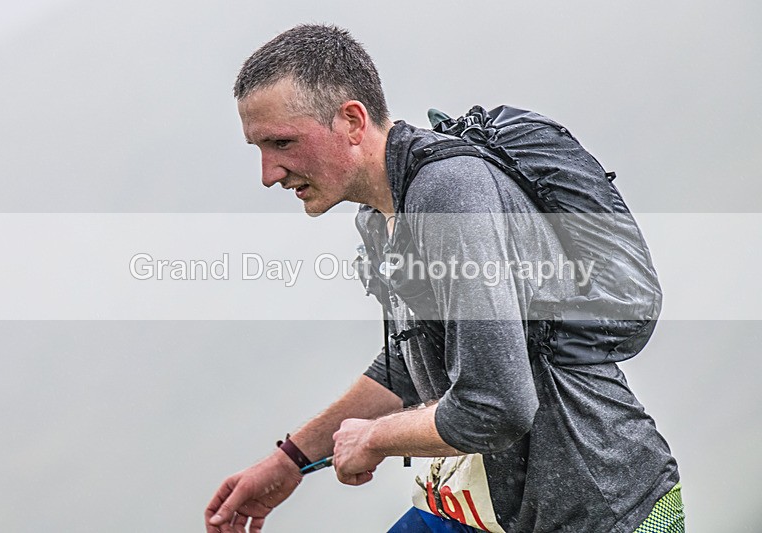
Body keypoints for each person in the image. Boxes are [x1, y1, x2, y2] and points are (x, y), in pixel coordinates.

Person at [206, 24, 684, 533]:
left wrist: (373, 439)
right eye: (259, 147)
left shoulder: (449, 194)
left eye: (282, 142)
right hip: (482, 512)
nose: (268, 173)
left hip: (602, 510)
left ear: (352, 120)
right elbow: (415, 363)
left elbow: (496, 406)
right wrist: (289, 461)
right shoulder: (380, 214)